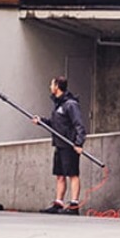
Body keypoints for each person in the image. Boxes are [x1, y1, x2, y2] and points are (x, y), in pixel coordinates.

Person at [33, 76, 87, 215]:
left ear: (57, 86)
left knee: (72, 174)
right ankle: (59, 203)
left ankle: (74, 205)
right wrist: (41, 121)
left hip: (70, 145)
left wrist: (79, 143)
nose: (50, 87)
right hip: (59, 144)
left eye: (52, 84)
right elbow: (55, 123)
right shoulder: (58, 104)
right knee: (60, 175)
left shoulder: (70, 104)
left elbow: (79, 125)